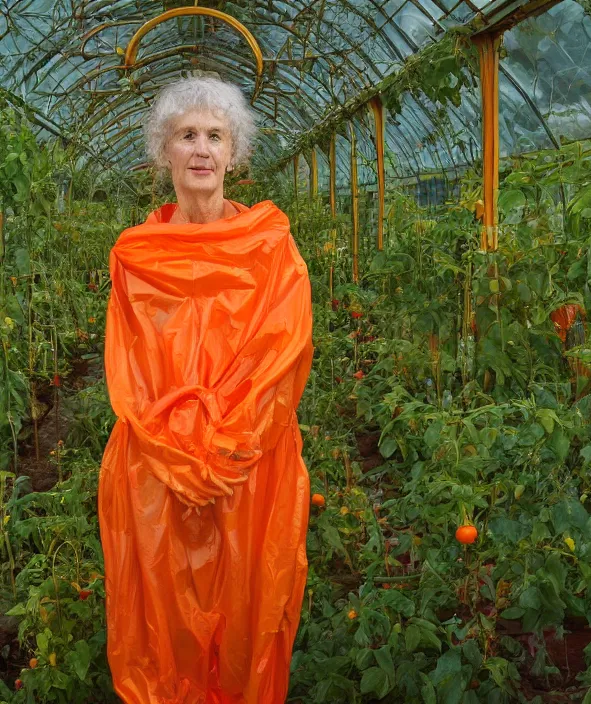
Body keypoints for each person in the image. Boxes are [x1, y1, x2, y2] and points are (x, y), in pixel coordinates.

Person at [98, 75, 314, 704]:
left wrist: (224, 443)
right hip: (157, 468)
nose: (201, 148)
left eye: (215, 136)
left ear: (233, 153)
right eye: (186, 134)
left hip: (249, 462)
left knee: (248, 606)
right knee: (164, 616)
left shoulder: (271, 247)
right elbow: (130, 369)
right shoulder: (137, 254)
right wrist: (178, 451)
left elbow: (283, 355)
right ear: (163, 151)